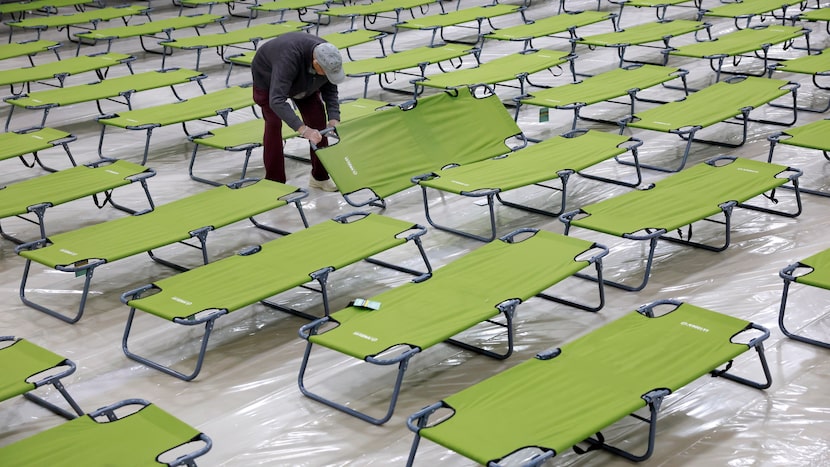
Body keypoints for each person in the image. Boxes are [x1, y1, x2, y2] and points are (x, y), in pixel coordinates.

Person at [251, 32, 346, 192]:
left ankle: (319, 177)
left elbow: (330, 88)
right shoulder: (288, 59)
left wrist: (334, 117)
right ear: (316, 63)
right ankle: (275, 182)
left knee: (318, 120)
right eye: (325, 72)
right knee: (273, 123)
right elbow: (276, 100)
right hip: (267, 78)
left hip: (303, 80)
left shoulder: (328, 56)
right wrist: (303, 129)